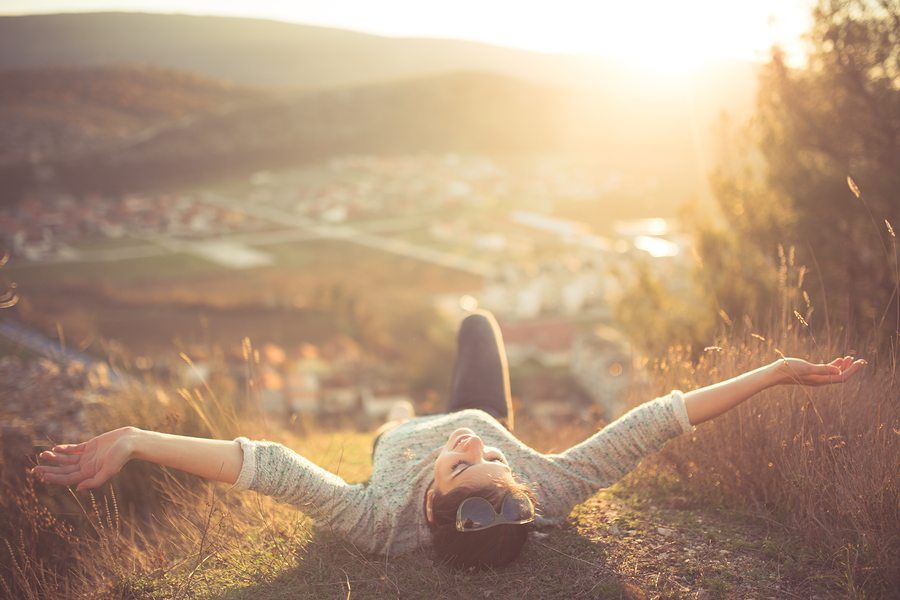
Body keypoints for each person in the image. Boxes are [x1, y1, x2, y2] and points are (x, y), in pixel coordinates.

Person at [32, 310, 866, 570]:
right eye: (495, 460)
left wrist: (138, 438)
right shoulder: (544, 481)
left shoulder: (376, 523)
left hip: (403, 432)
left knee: (450, 348)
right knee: (477, 326)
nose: (477, 447)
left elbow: (267, 466)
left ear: (431, 501)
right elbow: (661, 419)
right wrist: (778, 370)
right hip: (480, 393)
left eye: (467, 464)